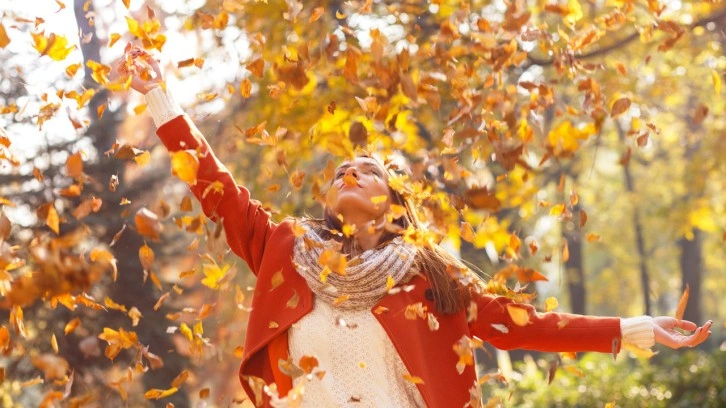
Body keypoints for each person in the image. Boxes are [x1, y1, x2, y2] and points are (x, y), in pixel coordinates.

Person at [117, 46, 712, 408]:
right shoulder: (286, 249)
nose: (348, 171)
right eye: (341, 170)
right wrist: (159, 97)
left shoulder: (430, 277)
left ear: (393, 205)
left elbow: (522, 324)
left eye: (366, 171)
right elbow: (216, 187)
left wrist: (635, 328)